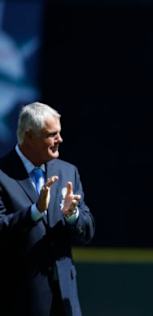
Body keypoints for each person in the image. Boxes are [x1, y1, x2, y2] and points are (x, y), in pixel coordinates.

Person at [0, 102, 95, 316]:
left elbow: (87, 231)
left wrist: (73, 215)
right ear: (29, 136)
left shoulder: (68, 172)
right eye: (52, 134)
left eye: (59, 133)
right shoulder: (2, 175)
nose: (59, 139)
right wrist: (34, 211)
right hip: (20, 300)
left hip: (65, 300)